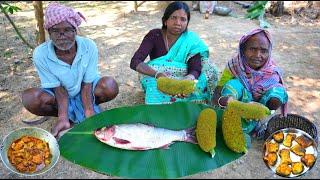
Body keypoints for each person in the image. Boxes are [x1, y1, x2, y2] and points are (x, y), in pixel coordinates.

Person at [21, 3, 119, 138]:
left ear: (75, 30)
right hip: (59, 93)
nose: (62, 35)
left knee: (109, 85)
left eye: (67, 30)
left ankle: (85, 108)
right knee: (30, 98)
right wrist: (62, 116)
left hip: (85, 89)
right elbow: (58, 89)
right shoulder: (40, 54)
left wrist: (89, 112)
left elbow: (87, 83)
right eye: (56, 31)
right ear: (49, 32)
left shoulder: (88, 46)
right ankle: (65, 116)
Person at [130, 1, 218, 105]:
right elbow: (135, 62)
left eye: (183, 19)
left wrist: (187, 80)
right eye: (173, 18)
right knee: (152, 77)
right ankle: (160, 107)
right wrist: (158, 74)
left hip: (183, 77)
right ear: (165, 21)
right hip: (159, 78)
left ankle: (191, 102)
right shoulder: (154, 35)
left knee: (209, 68)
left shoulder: (191, 40)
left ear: (187, 23)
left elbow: (195, 68)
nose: (178, 23)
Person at [212, 28, 288, 136]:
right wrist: (229, 101)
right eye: (252, 49)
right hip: (238, 105)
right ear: (243, 50)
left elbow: (276, 95)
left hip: (260, 107)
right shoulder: (234, 65)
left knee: (279, 91)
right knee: (232, 84)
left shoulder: (271, 71)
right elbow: (218, 91)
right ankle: (242, 122)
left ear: (269, 52)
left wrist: (265, 105)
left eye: (263, 51)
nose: (258, 55)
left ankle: (257, 122)